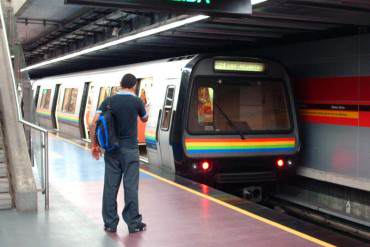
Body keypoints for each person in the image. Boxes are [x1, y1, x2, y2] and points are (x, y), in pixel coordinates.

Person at [90, 74, 148, 234]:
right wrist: (143, 108)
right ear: (134, 86)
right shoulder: (137, 101)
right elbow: (145, 119)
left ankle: (110, 223)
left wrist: (94, 145)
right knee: (130, 187)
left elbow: (93, 122)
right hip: (130, 151)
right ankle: (134, 224)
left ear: (120, 84)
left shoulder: (109, 101)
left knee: (110, 187)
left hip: (112, 150)